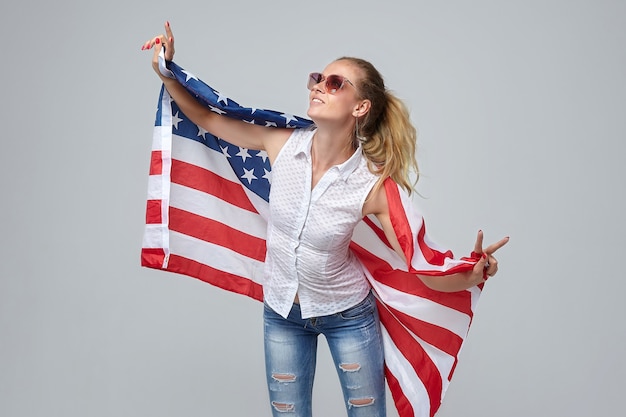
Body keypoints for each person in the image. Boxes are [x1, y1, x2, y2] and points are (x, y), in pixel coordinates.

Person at [142, 22, 509, 417]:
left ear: (360, 107)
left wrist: (473, 273)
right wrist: (166, 70)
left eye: (335, 83)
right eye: (318, 78)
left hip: (347, 316)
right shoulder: (280, 142)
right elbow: (206, 118)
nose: (318, 86)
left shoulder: (372, 185)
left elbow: (419, 264)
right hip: (282, 313)